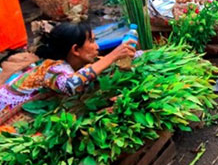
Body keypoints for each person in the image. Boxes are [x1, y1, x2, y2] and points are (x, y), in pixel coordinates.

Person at [0, 23, 138, 117]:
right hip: (8, 116)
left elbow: (97, 67)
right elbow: (70, 85)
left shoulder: (77, 64)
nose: (97, 46)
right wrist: (113, 55)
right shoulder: (52, 69)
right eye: (91, 41)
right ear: (75, 50)